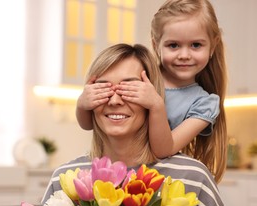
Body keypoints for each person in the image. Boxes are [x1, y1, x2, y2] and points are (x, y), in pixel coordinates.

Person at [42, 43, 238, 206]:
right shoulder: (66, 180)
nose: (115, 101)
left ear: (154, 98)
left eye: (131, 89)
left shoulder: (194, 179)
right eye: (103, 89)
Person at [75, 0, 227, 183]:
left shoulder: (205, 104)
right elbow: (88, 124)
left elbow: (163, 150)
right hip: (116, 169)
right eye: (173, 45)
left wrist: (156, 105)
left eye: (196, 45)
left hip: (160, 176)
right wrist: (82, 104)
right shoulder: (140, 74)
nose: (184, 55)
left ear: (213, 44)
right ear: (156, 45)